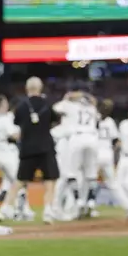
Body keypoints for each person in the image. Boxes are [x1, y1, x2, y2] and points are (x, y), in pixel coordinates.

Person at [0, 77, 60, 224]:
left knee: (19, 181)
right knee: (49, 180)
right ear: (40, 88)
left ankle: (4, 210)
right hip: (46, 147)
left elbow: (17, 123)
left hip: (28, 147)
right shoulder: (47, 104)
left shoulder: (22, 105)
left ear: (27, 89)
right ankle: (48, 211)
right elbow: (54, 120)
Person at [0, 95, 34, 220]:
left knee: (8, 184)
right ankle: (20, 212)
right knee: (20, 182)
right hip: (9, 154)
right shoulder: (5, 119)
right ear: (2, 105)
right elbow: (14, 135)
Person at [52, 89, 100, 219]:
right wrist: (85, 95)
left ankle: (78, 202)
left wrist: (67, 97)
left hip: (76, 138)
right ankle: (90, 201)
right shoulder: (92, 108)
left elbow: (55, 108)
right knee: (90, 175)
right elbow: (95, 106)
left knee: (71, 174)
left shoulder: (70, 106)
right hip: (93, 138)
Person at [95, 99, 128, 218]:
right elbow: (117, 141)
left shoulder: (92, 118)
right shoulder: (110, 121)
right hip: (107, 153)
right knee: (113, 184)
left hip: (95, 154)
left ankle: (87, 206)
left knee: (88, 182)